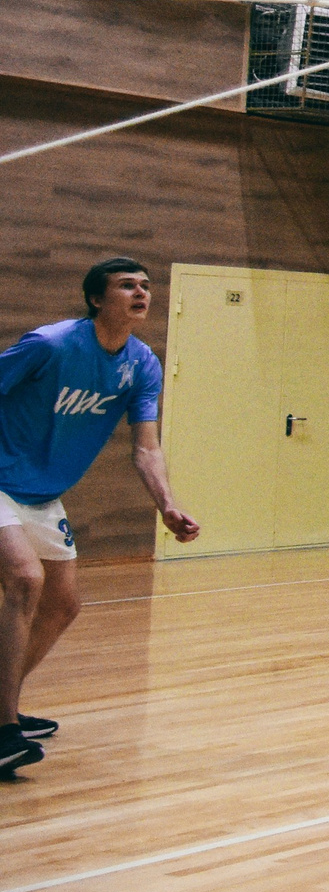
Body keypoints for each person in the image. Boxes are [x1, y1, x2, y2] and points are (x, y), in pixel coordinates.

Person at [0, 258, 198, 778]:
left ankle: (3, 706)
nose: (141, 292)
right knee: (25, 579)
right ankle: (3, 731)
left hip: (42, 494)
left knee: (63, 603)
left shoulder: (143, 364)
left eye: (146, 286)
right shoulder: (50, 345)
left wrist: (167, 504)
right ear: (95, 299)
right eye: (126, 285)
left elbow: (146, 448)